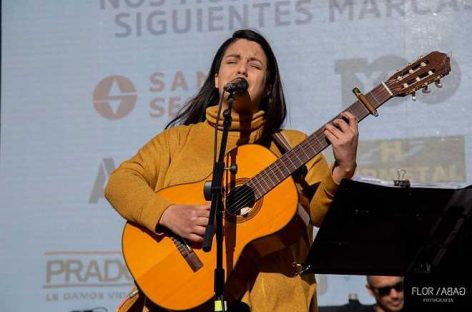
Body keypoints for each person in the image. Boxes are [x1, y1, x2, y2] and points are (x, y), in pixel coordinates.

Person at [105, 29, 358, 312]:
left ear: (268, 87)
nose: (242, 68)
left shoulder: (293, 146)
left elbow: (321, 216)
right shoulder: (177, 140)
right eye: (233, 61)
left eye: (255, 65)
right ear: (216, 79)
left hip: (274, 302)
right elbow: (119, 183)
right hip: (182, 298)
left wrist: (344, 167)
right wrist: (167, 214)